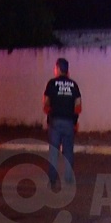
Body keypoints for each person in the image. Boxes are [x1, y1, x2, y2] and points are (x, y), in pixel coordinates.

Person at [43, 57, 82, 186]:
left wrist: (51, 112)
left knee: (54, 151)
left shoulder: (51, 84)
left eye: (55, 68)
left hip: (55, 122)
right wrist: (75, 121)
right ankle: (68, 178)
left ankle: (52, 179)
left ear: (58, 68)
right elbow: (78, 105)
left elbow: (46, 103)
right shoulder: (74, 85)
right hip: (69, 122)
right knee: (68, 151)